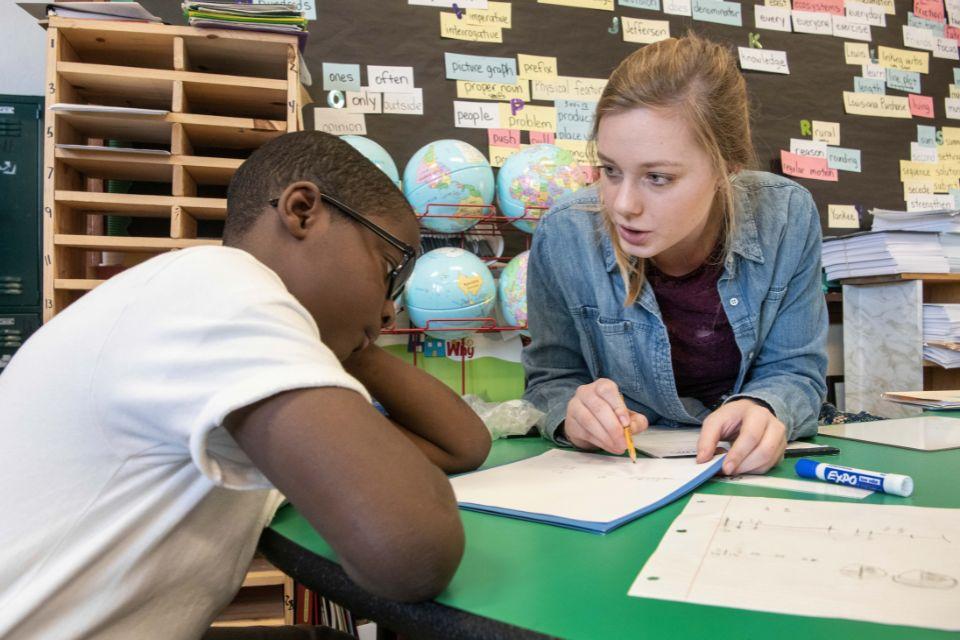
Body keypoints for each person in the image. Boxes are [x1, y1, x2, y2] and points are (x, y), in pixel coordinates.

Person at [0, 131, 491, 639]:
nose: (391, 307)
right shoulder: (216, 289)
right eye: (388, 270)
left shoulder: (226, 345)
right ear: (303, 211)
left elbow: (460, 445)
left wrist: (351, 346)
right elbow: (410, 553)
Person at [522, 33, 828, 476]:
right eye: (610, 170)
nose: (624, 204)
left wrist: (767, 406)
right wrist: (573, 415)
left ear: (728, 168)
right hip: (619, 478)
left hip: (750, 476)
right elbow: (551, 379)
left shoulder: (786, 216)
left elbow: (797, 369)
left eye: (658, 177)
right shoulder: (563, 234)